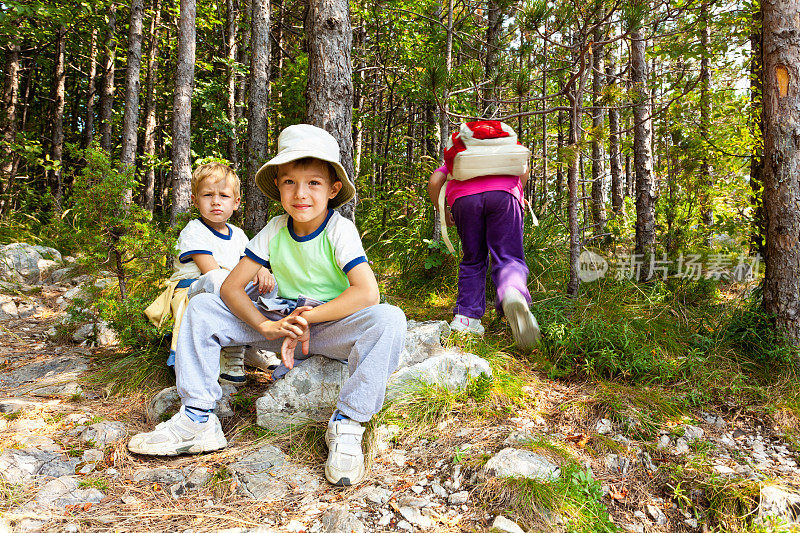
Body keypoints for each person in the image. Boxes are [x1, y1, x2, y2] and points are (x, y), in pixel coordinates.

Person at [129, 124, 407, 487]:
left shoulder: (340, 230)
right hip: (279, 327)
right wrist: (265, 327)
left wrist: (305, 320)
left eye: (314, 183)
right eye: (290, 181)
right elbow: (230, 287)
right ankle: (198, 419)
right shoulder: (275, 228)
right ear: (278, 185)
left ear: (333, 189)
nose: (300, 193)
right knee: (202, 307)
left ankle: (349, 422)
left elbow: (367, 293)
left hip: (327, 326)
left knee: (389, 318)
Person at [144, 163, 274, 385]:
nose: (216, 201)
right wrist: (247, 273)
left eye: (224, 195)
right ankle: (232, 351)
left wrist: (261, 270)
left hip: (229, 288)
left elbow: (249, 266)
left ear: (236, 203)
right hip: (194, 290)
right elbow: (211, 271)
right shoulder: (194, 231)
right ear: (195, 200)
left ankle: (254, 344)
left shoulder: (240, 235)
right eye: (207, 195)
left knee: (269, 282)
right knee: (220, 280)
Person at [427, 124, 540, 349]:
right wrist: (518, 193)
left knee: (473, 258)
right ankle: (512, 290)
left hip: (464, 200)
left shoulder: (461, 158)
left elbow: (434, 182)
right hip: (505, 196)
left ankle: (466, 318)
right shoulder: (506, 151)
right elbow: (524, 170)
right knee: (508, 256)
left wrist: (443, 211)